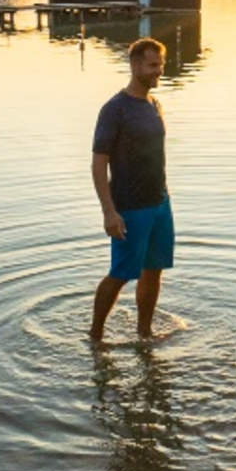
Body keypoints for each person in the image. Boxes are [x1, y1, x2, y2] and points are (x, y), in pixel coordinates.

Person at [90, 38, 174, 343]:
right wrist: (109, 212)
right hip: (130, 207)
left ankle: (144, 332)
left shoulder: (155, 104)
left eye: (161, 65)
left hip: (160, 203)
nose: (159, 71)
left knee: (154, 270)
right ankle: (96, 337)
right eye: (153, 65)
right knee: (122, 273)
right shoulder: (115, 110)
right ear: (135, 64)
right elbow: (99, 163)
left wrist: (163, 197)